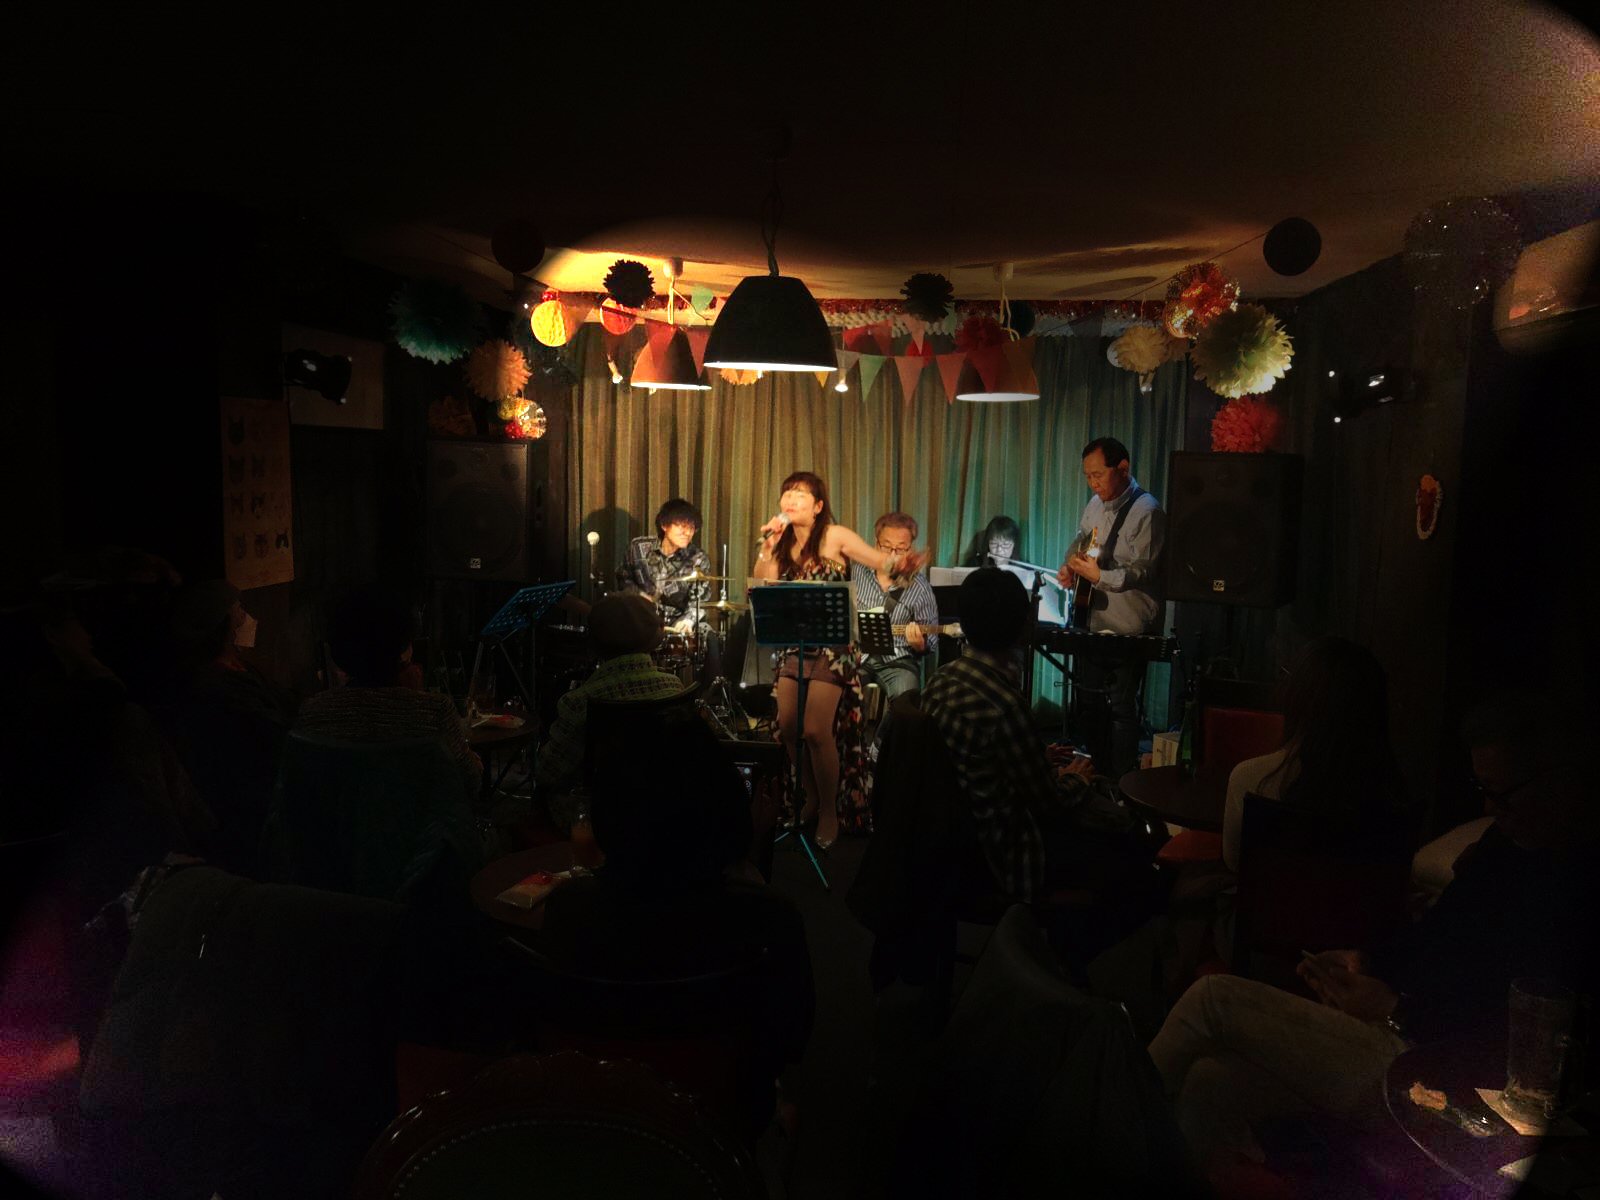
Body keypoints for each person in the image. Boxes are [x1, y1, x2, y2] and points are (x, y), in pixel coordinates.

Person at [1147, 692, 1598, 1178]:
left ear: (1562, 782)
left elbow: (1510, 1029)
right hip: (1393, 1030)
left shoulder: (1574, 887)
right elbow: (1435, 936)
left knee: (1212, 998)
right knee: (1209, 1081)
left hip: (1429, 1075)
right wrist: (1367, 961)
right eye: (1483, 789)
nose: (1490, 806)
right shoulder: (1502, 844)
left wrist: (1395, 1009)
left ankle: (1102, 1132)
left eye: (1503, 793)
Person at [541, 705, 814, 1134]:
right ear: (727, 806)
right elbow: (789, 1040)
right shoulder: (769, 920)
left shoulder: (568, 910)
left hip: (596, 1125)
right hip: (716, 1133)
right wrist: (749, 856)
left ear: (607, 810)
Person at [921, 568, 1128, 903]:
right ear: (1021, 628)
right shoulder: (1004, 704)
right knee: (1123, 840)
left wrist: (1036, 758)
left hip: (951, 849)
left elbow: (975, 760)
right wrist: (1077, 777)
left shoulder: (940, 680)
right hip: (1008, 857)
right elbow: (1049, 804)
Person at [753, 472, 926, 848]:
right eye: (787, 492)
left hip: (834, 647)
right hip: (795, 644)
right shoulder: (781, 542)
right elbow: (762, 586)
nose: (791, 498)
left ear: (818, 506)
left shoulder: (834, 536)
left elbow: (880, 561)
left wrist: (904, 563)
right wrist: (768, 547)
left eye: (801, 493)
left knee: (816, 729)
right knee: (788, 726)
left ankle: (830, 811)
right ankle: (810, 796)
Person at [1221, 635, 1410, 873]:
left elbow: (1235, 862)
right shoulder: (1391, 789)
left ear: (1298, 697)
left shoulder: (1251, 778)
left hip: (1273, 897)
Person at [294, 585, 482, 801]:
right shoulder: (435, 711)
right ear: (403, 648)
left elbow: (301, 790)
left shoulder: (314, 712)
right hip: (417, 822)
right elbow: (470, 784)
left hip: (337, 822)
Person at [167, 580, 298, 875]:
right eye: (238, 610)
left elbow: (284, 702)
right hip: (250, 807)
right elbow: (271, 732)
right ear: (221, 623)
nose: (244, 617)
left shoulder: (239, 666)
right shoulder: (213, 686)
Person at [1057, 436, 1166, 777]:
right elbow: (1080, 542)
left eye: (1098, 475)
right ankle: (1097, 772)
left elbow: (1144, 570)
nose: (1093, 483)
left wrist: (1099, 576)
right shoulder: (1094, 504)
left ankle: (1121, 781)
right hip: (1094, 620)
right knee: (1088, 701)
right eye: (1088, 476)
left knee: (1121, 706)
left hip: (1130, 625)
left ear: (1123, 469)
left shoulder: (1148, 511)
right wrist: (1071, 567)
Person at [533, 593, 685, 823]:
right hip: (660, 812)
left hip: (597, 819)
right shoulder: (674, 687)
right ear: (654, 637)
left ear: (594, 643)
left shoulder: (579, 701)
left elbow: (547, 773)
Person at [850, 511, 938, 748]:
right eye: (886, 546)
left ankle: (879, 749)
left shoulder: (919, 587)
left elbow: (931, 641)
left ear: (911, 549)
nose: (892, 554)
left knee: (907, 699)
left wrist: (920, 644)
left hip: (898, 659)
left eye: (900, 549)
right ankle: (850, 749)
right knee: (834, 689)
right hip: (856, 654)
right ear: (875, 543)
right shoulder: (856, 571)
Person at [617, 497, 714, 635]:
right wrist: (640, 596)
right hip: (638, 620)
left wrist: (687, 621)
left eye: (692, 528)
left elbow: (700, 600)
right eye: (682, 526)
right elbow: (623, 579)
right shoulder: (637, 547)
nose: (688, 533)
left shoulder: (698, 559)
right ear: (664, 525)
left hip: (675, 624)